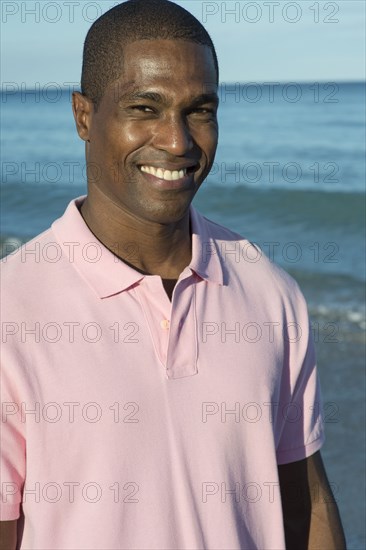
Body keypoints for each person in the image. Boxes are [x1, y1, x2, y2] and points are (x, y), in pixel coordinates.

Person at [0, 1, 346, 548]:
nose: (178, 141)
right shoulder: (11, 308)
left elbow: (306, 503)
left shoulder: (269, 292)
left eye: (200, 110)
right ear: (84, 117)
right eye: (145, 107)